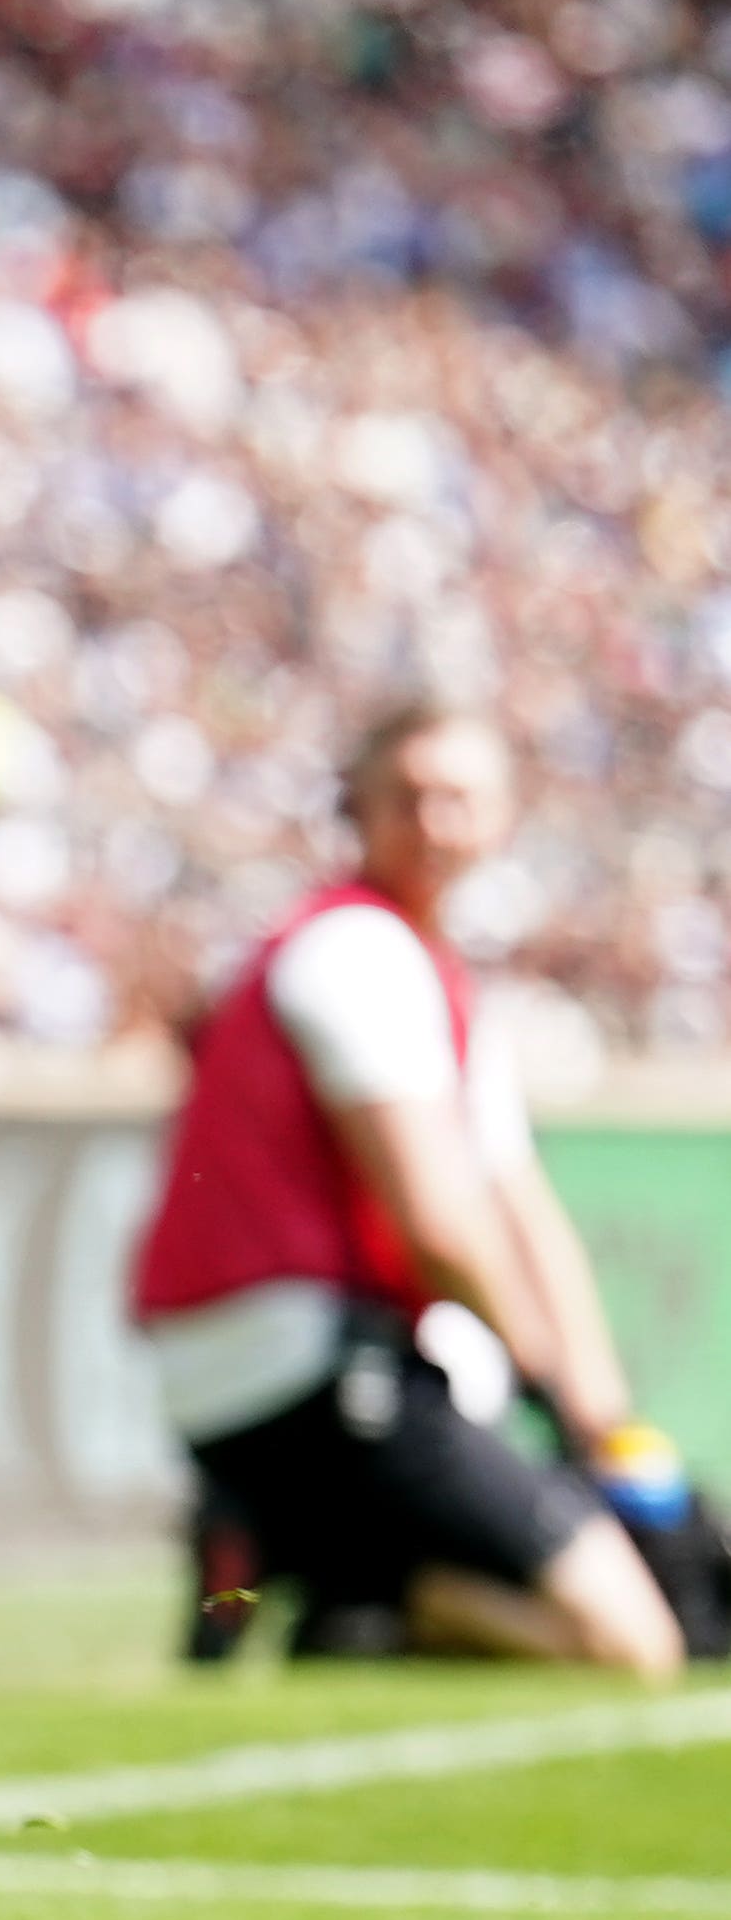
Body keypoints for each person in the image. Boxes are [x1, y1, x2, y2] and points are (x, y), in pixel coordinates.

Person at [135, 707, 686, 1675]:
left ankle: (320, 1572)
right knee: (632, 1644)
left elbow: (519, 1208)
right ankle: (351, 1592)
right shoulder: (359, 952)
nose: (432, 824)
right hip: (308, 1362)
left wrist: (598, 1409)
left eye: (458, 800)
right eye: (409, 798)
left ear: (504, 817)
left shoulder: (414, 969)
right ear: (359, 810)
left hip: (279, 1364)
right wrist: (550, 1390)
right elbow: (440, 1225)